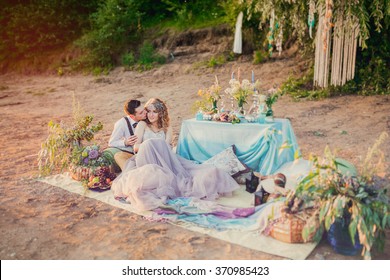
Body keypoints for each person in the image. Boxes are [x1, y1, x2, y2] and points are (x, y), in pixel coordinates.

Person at [112, 98, 240, 211]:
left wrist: (160, 146)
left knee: (206, 173)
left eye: (154, 111)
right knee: (149, 181)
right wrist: (152, 144)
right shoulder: (142, 124)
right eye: (148, 111)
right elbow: (136, 147)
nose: (150, 115)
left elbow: (168, 147)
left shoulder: (167, 128)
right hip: (146, 158)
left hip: (165, 160)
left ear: (161, 113)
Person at [108, 99, 147, 170]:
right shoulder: (121, 124)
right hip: (133, 154)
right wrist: (125, 142)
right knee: (118, 156)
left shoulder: (149, 117)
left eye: (144, 109)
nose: (145, 113)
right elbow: (112, 142)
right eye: (141, 113)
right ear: (132, 116)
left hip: (148, 151)